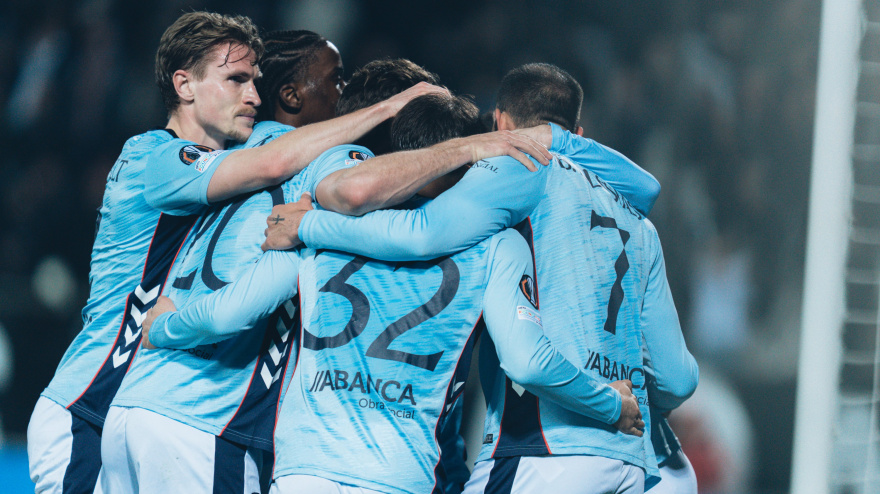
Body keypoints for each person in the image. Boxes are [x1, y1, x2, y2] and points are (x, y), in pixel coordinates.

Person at [142, 90, 645, 494]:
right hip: (400, 472)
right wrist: (609, 402)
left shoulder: (312, 224)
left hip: (304, 470)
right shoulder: (496, 247)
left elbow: (232, 310)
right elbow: (526, 357)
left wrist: (163, 324)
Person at [25, 12, 444, 493]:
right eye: (236, 80)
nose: (253, 97)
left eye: (256, 82)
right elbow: (276, 158)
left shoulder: (225, 171)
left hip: (136, 402)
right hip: (92, 400)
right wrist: (389, 109)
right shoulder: (154, 157)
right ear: (184, 85)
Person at [264, 63, 697, 493]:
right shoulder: (639, 222)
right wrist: (624, 402)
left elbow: (425, 233)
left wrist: (310, 226)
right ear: (579, 134)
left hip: (541, 449)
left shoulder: (517, 168)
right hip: (634, 463)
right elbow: (677, 380)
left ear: (499, 124)